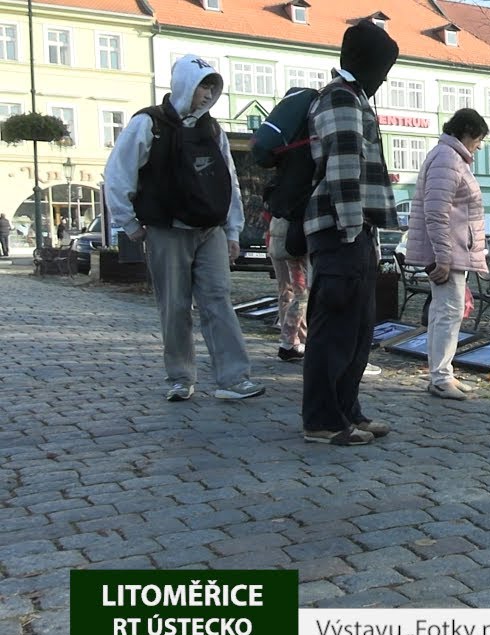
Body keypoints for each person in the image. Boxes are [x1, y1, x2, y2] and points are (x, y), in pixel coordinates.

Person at [104, 54, 265, 403]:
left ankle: (233, 378)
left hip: (210, 230)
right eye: (202, 86)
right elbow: (118, 172)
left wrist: (233, 230)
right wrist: (127, 221)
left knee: (219, 301)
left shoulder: (213, 129)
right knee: (174, 306)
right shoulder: (148, 124)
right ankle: (179, 377)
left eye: (212, 87)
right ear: (184, 86)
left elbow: (230, 181)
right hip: (167, 229)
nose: (207, 94)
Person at [300, 18, 399, 445]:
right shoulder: (341, 97)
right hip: (341, 229)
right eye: (383, 68)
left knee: (357, 330)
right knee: (335, 327)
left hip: (354, 231)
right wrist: (352, 228)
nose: (385, 77)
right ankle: (322, 421)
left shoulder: (352, 95)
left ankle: (347, 410)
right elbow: (342, 167)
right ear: (366, 63)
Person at [405, 108, 489, 401]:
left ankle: (443, 373)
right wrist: (442, 256)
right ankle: (440, 378)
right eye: (478, 140)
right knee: (447, 314)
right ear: (467, 133)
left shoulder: (449, 157)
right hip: (448, 253)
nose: (478, 147)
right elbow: (436, 211)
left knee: (446, 313)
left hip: (452, 251)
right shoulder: (447, 159)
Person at [264, 211, 306, 362]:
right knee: (301, 293)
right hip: (296, 239)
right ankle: (293, 340)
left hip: (282, 239)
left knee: (295, 293)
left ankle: (290, 340)